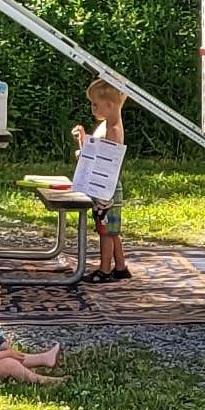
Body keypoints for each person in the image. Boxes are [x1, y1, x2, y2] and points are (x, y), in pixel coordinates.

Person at [69, 77, 130, 281]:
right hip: (105, 186)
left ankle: (104, 270)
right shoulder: (106, 125)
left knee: (105, 231)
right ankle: (120, 266)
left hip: (107, 188)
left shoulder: (112, 130)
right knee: (111, 230)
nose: (92, 109)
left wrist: (82, 154)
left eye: (95, 105)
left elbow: (104, 161)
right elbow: (95, 150)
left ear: (110, 105)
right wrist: (83, 141)